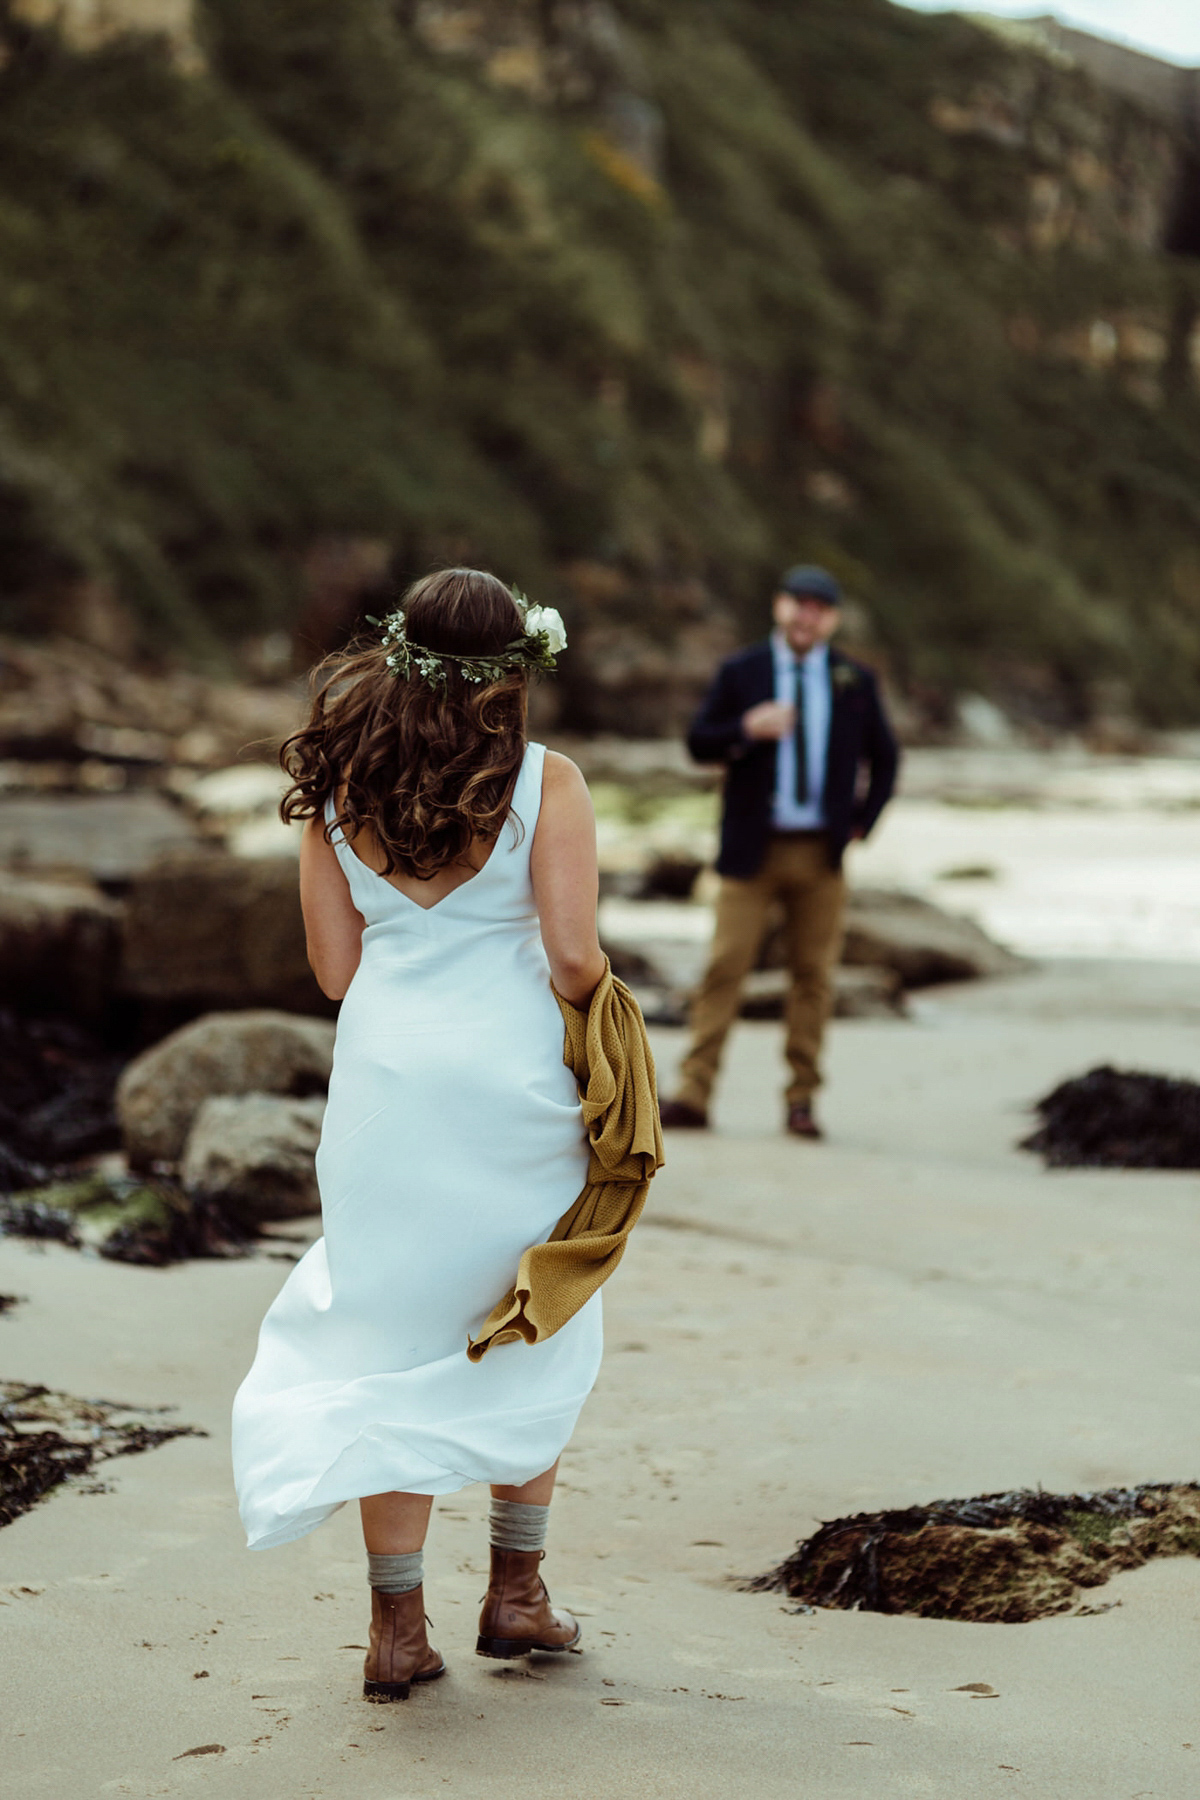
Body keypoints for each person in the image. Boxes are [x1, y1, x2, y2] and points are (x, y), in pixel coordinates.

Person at [232, 569, 610, 1703]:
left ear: (398, 655)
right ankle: (517, 1592)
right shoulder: (548, 780)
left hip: (389, 1094)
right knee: (532, 1313)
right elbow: (576, 959)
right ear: (515, 668)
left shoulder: (339, 785)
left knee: (388, 1333)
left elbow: (337, 972)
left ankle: (398, 1626)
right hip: (513, 1095)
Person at [658, 564, 898, 1139]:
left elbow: (885, 758)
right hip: (749, 850)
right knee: (725, 967)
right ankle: (694, 1093)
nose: (806, 614)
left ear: (832, 618)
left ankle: (802, 1100)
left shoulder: (854, 680)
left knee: (813, 977)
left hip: (822, 854)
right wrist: (747, 727)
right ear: (778, 607)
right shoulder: (742, 671)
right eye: (798, 602)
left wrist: (862, 823)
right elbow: (698, 741)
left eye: (819, 606)